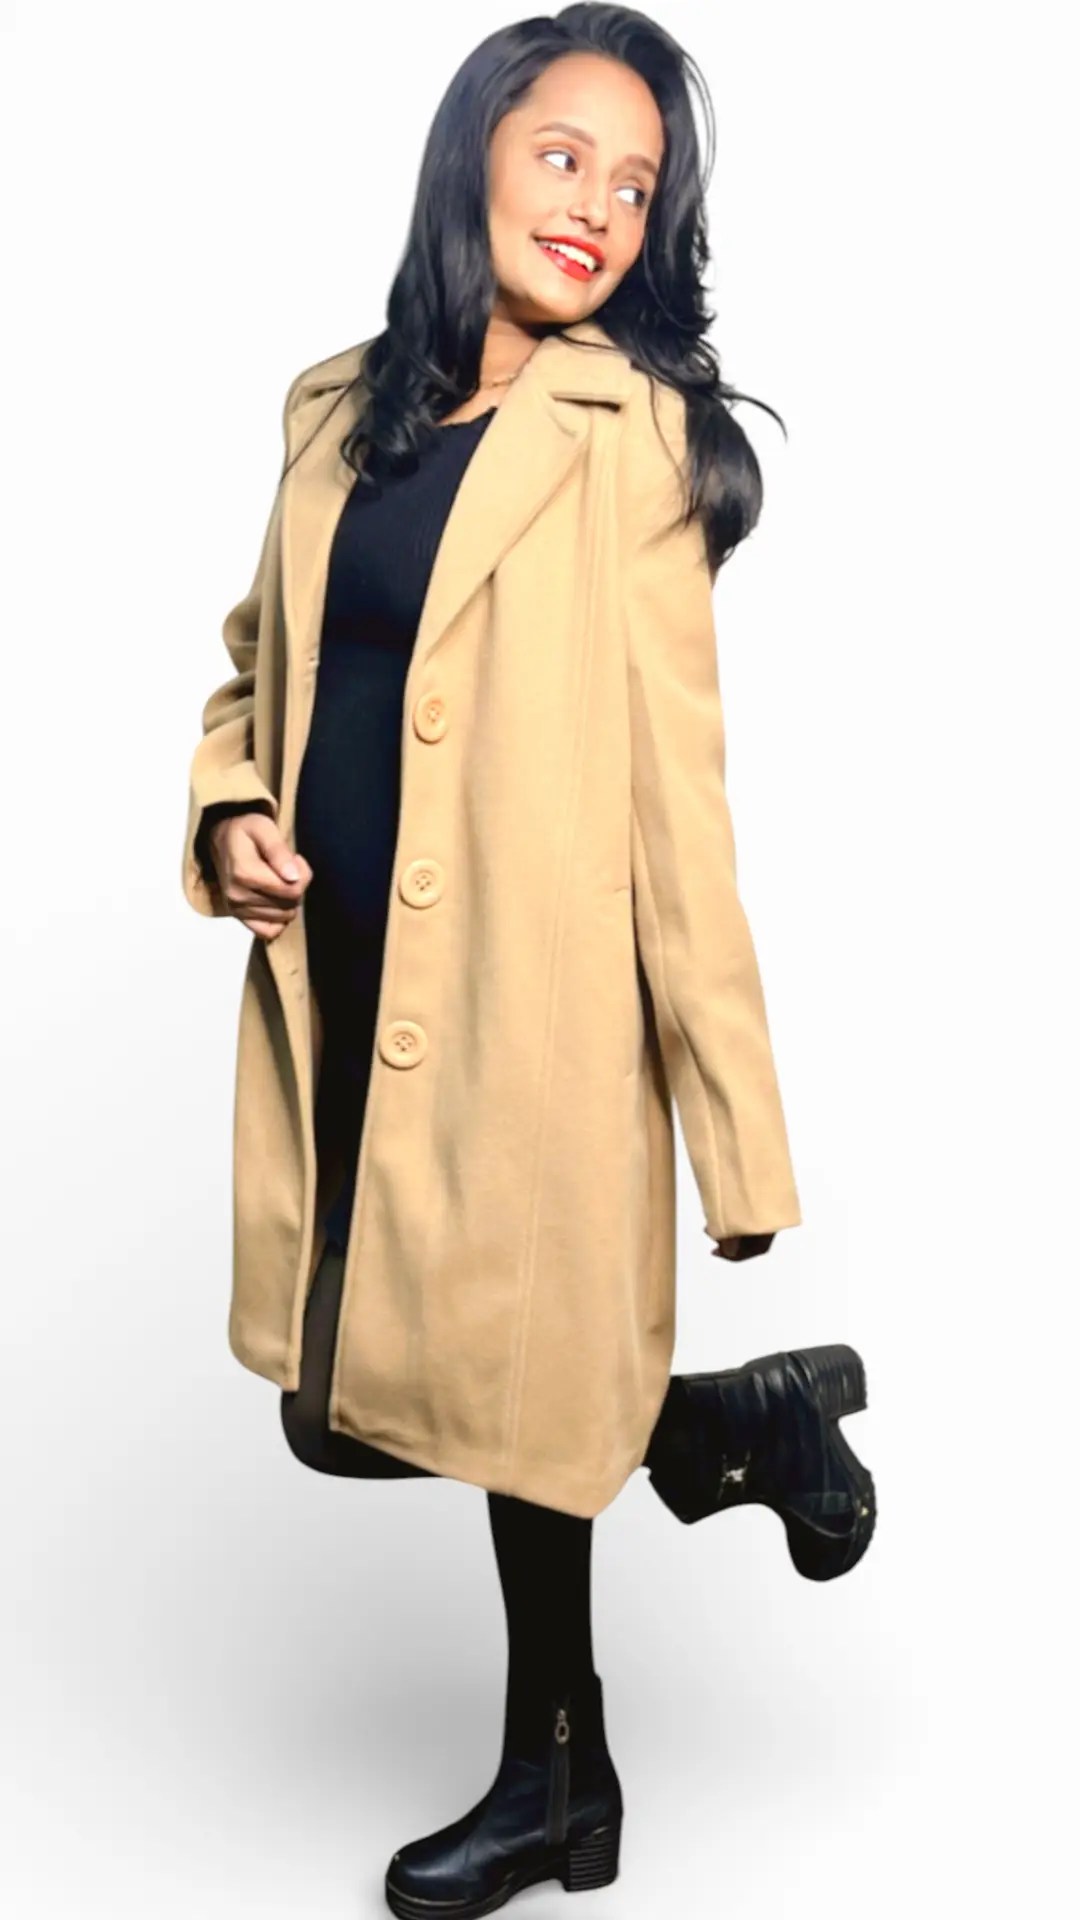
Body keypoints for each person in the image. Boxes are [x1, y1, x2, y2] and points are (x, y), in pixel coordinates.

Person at [182, 9, 875, 1914]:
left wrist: (737, 1143)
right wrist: (227, 814)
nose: (596, 208)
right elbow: (253, 669)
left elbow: (677, 799)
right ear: (474, 151)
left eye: (635, 186)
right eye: (565, 155)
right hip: (337, 1003)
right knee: (340, 1410)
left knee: (505, 1403)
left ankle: (555, 1783)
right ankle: (729, 1424)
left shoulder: (630, 440)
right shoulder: (330, 409)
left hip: (531, 1020)